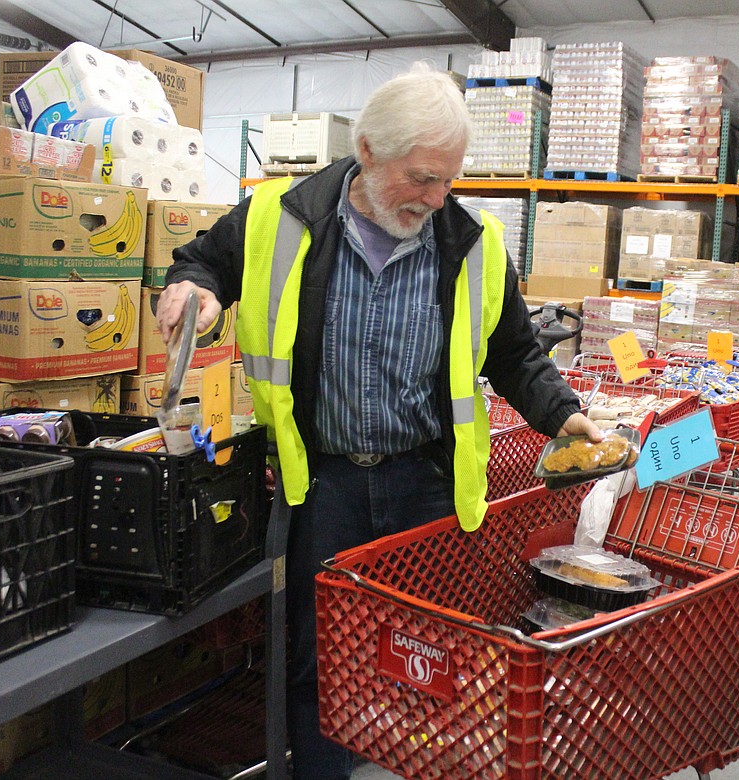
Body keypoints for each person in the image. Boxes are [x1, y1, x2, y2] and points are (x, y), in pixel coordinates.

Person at [155, 62, 600, 780]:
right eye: (421, 178)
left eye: (448, 179)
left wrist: (563, 415)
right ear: (366, 151)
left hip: (424, 486)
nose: (435, 197)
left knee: (424, 657)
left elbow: (513, 351)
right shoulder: (280, 215)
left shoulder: (473, 241)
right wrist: (192, 293)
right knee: (322, 658)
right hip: (321, 487)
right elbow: (201, 263)